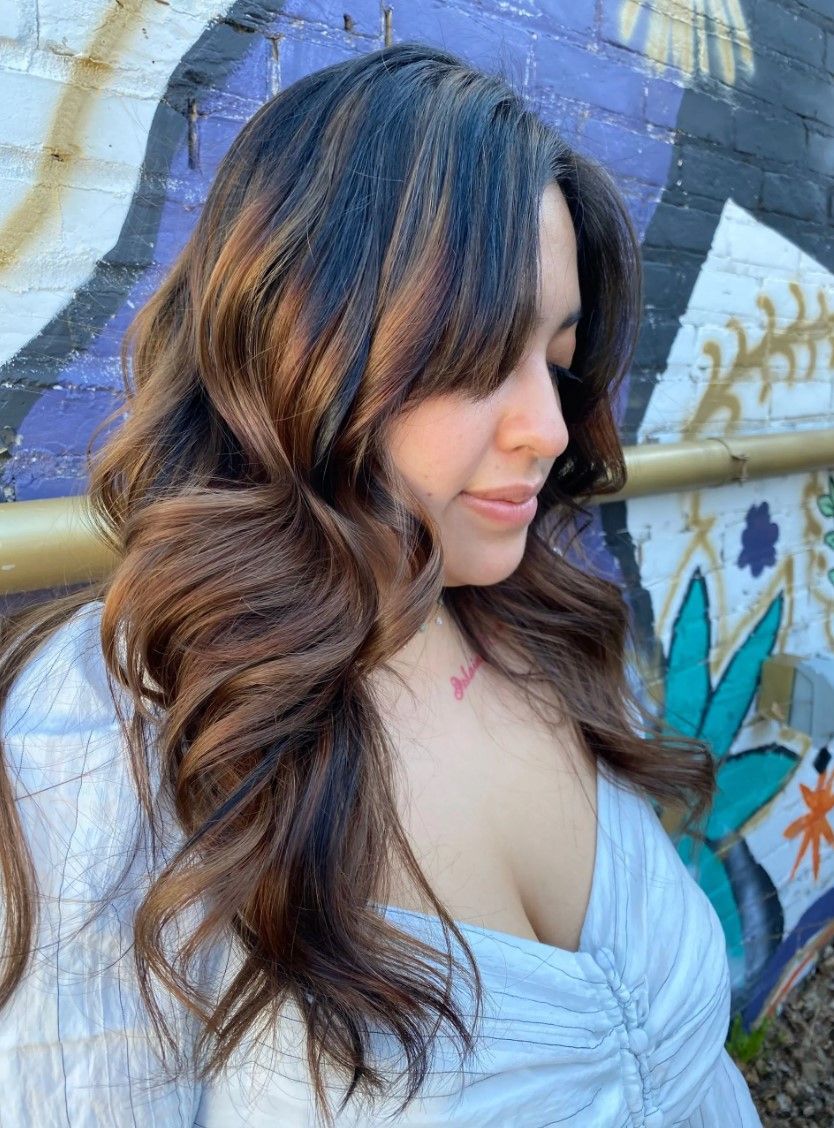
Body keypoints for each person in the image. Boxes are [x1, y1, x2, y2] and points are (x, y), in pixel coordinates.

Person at [0, 41, 762, 1127]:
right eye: (474, 358)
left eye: (556, 358)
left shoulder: (537, 618)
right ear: (300, 346)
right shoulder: (108, 737)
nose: (549, 431)